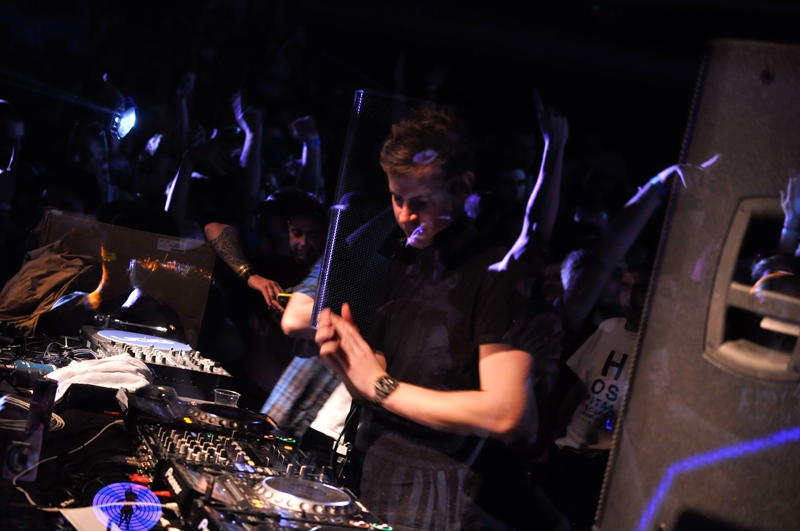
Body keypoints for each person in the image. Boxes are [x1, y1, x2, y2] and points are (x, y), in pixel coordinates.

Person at [315, 105, 535, 530]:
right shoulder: (405, 259)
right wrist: (344, 362)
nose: (403, 216)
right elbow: (375, 386)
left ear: (463, 187)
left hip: (440, 497)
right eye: (397, 199)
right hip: (375, 476)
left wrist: (380, 387)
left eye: (420, 202)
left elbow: (510, 413)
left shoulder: (497, 272)